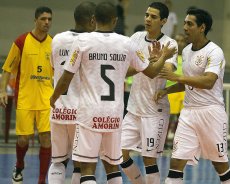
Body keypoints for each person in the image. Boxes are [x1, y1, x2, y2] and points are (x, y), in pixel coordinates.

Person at [49, 2, 176, 184]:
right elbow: (151, 72)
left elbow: (66, 76)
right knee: (113, 167)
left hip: (89, 113)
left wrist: (54, 96)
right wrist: (162, 56)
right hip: (115, 115)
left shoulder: (82, 42)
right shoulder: (127, 43)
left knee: (86, 168)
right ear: (115, 20)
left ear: (94, 19)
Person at [155, 8, 230, 184]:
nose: (184, 27)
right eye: (184, 23)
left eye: (189, 24)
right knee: (176, 162)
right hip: (189, 113)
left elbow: (208, 82)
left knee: (220, 165)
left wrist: (176, 77)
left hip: (211, 113)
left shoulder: (215, 51)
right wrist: (167, 90)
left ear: (202, 27)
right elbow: (187, 82)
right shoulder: (186, 51)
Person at [120, 2, 178, 184]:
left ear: (163, 21)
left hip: (155, 111)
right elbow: (125, 69)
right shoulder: (136, 37)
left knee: (149, 159)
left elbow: (166, 71)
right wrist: (146, 63)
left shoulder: (170, 43)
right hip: (134, 108)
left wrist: (158, 59)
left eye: (153, 17)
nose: (148, 19)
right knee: (118, 154)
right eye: (146, 15)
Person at [0, 6, 53, 184]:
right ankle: (19, 165)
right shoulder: (21, 41)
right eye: (43, 19)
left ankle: (41, 179)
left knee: (46, 138)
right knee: (23, 139)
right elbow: (7, 69)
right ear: (35, 20)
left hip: (46, 99)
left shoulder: (53, 43)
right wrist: (2, 90)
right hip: (24, 98)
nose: (47, 22)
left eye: (49, 19)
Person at [47, 2, 96, 184]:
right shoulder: (92, 42)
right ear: (92, 20)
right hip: (81, 112)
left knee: (58, 161)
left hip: (59, 108)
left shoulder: (57, 39)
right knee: (82, 164)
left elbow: (54, 68)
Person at [165, 33, 187, 149]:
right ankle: (163, 142)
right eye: (177, 40)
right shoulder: (168, 57)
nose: (179, 43)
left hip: (183, 91)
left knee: (181, 120)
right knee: (168, 118)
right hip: (171, 91)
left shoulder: (188, 57)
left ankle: (178, 143)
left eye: (182, 40)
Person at [124, 24, 145, 117]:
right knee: (126, 112)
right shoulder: (131, 48)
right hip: (129, 87)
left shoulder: (145, 51)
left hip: (139, 88)